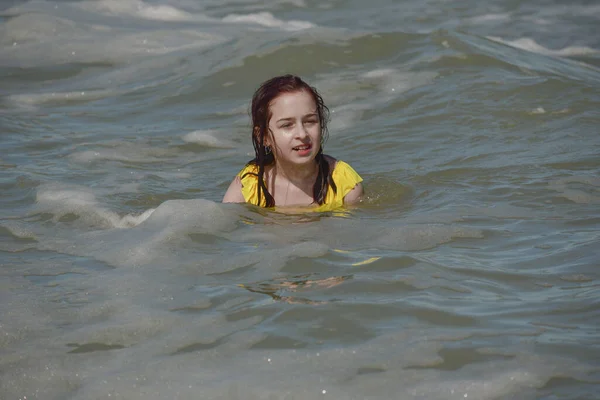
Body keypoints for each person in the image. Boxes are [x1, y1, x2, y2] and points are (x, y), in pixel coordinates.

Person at [222, 75, 363, 211]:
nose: (302, 134)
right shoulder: (247, 187)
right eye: (287, 125)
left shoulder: (343, 185)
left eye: (310, 121)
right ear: (263, 137)